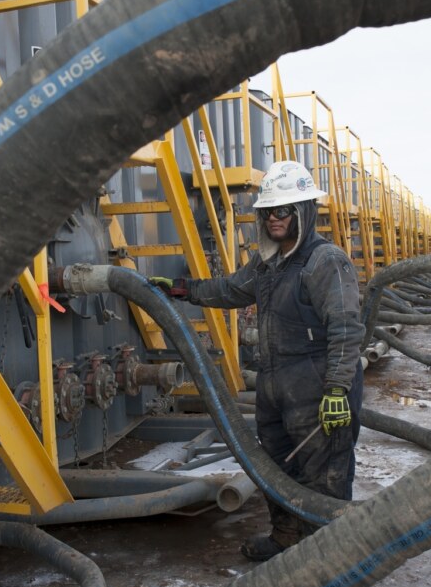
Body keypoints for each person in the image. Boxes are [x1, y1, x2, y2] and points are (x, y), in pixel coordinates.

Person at [150, 160, 364, 562]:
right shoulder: (267, 266)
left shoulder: (325, 262)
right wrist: (183, 290)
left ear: (303, 211)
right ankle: (285, 540)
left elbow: (346, 329)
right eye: (267, 212)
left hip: (318, 391)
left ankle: (327, 560)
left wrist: (336, 390)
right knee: (275, 471)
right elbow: (230, 289)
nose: (273, 220)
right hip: (275, 388)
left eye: (282, 211)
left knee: (324, 477)